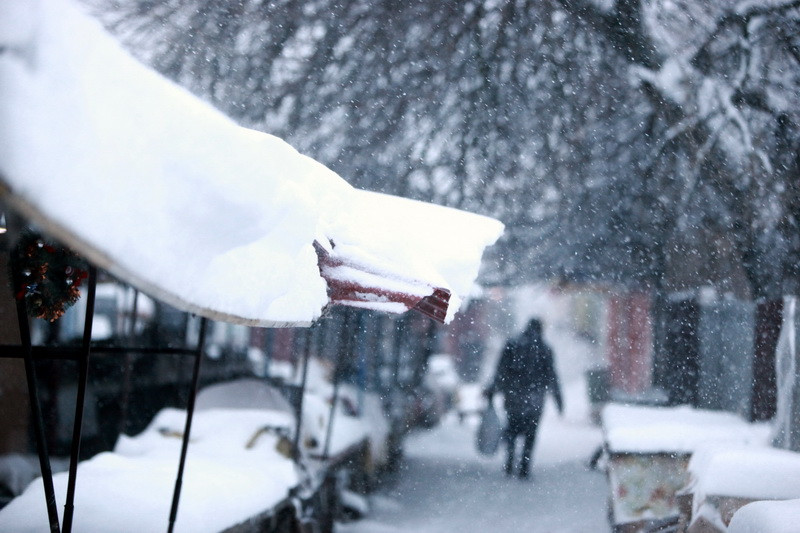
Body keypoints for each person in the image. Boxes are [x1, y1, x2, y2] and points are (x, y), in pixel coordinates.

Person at [485, 318, 563, 479]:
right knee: (530, 434)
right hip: (535, 400)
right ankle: (524, 467)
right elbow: (552, 376)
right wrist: (558, 399)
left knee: (512, 430)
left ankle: (509, 461)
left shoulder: (512, 344)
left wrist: (493, 389)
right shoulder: (545, 349)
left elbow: (501, 370)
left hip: (513, 397)